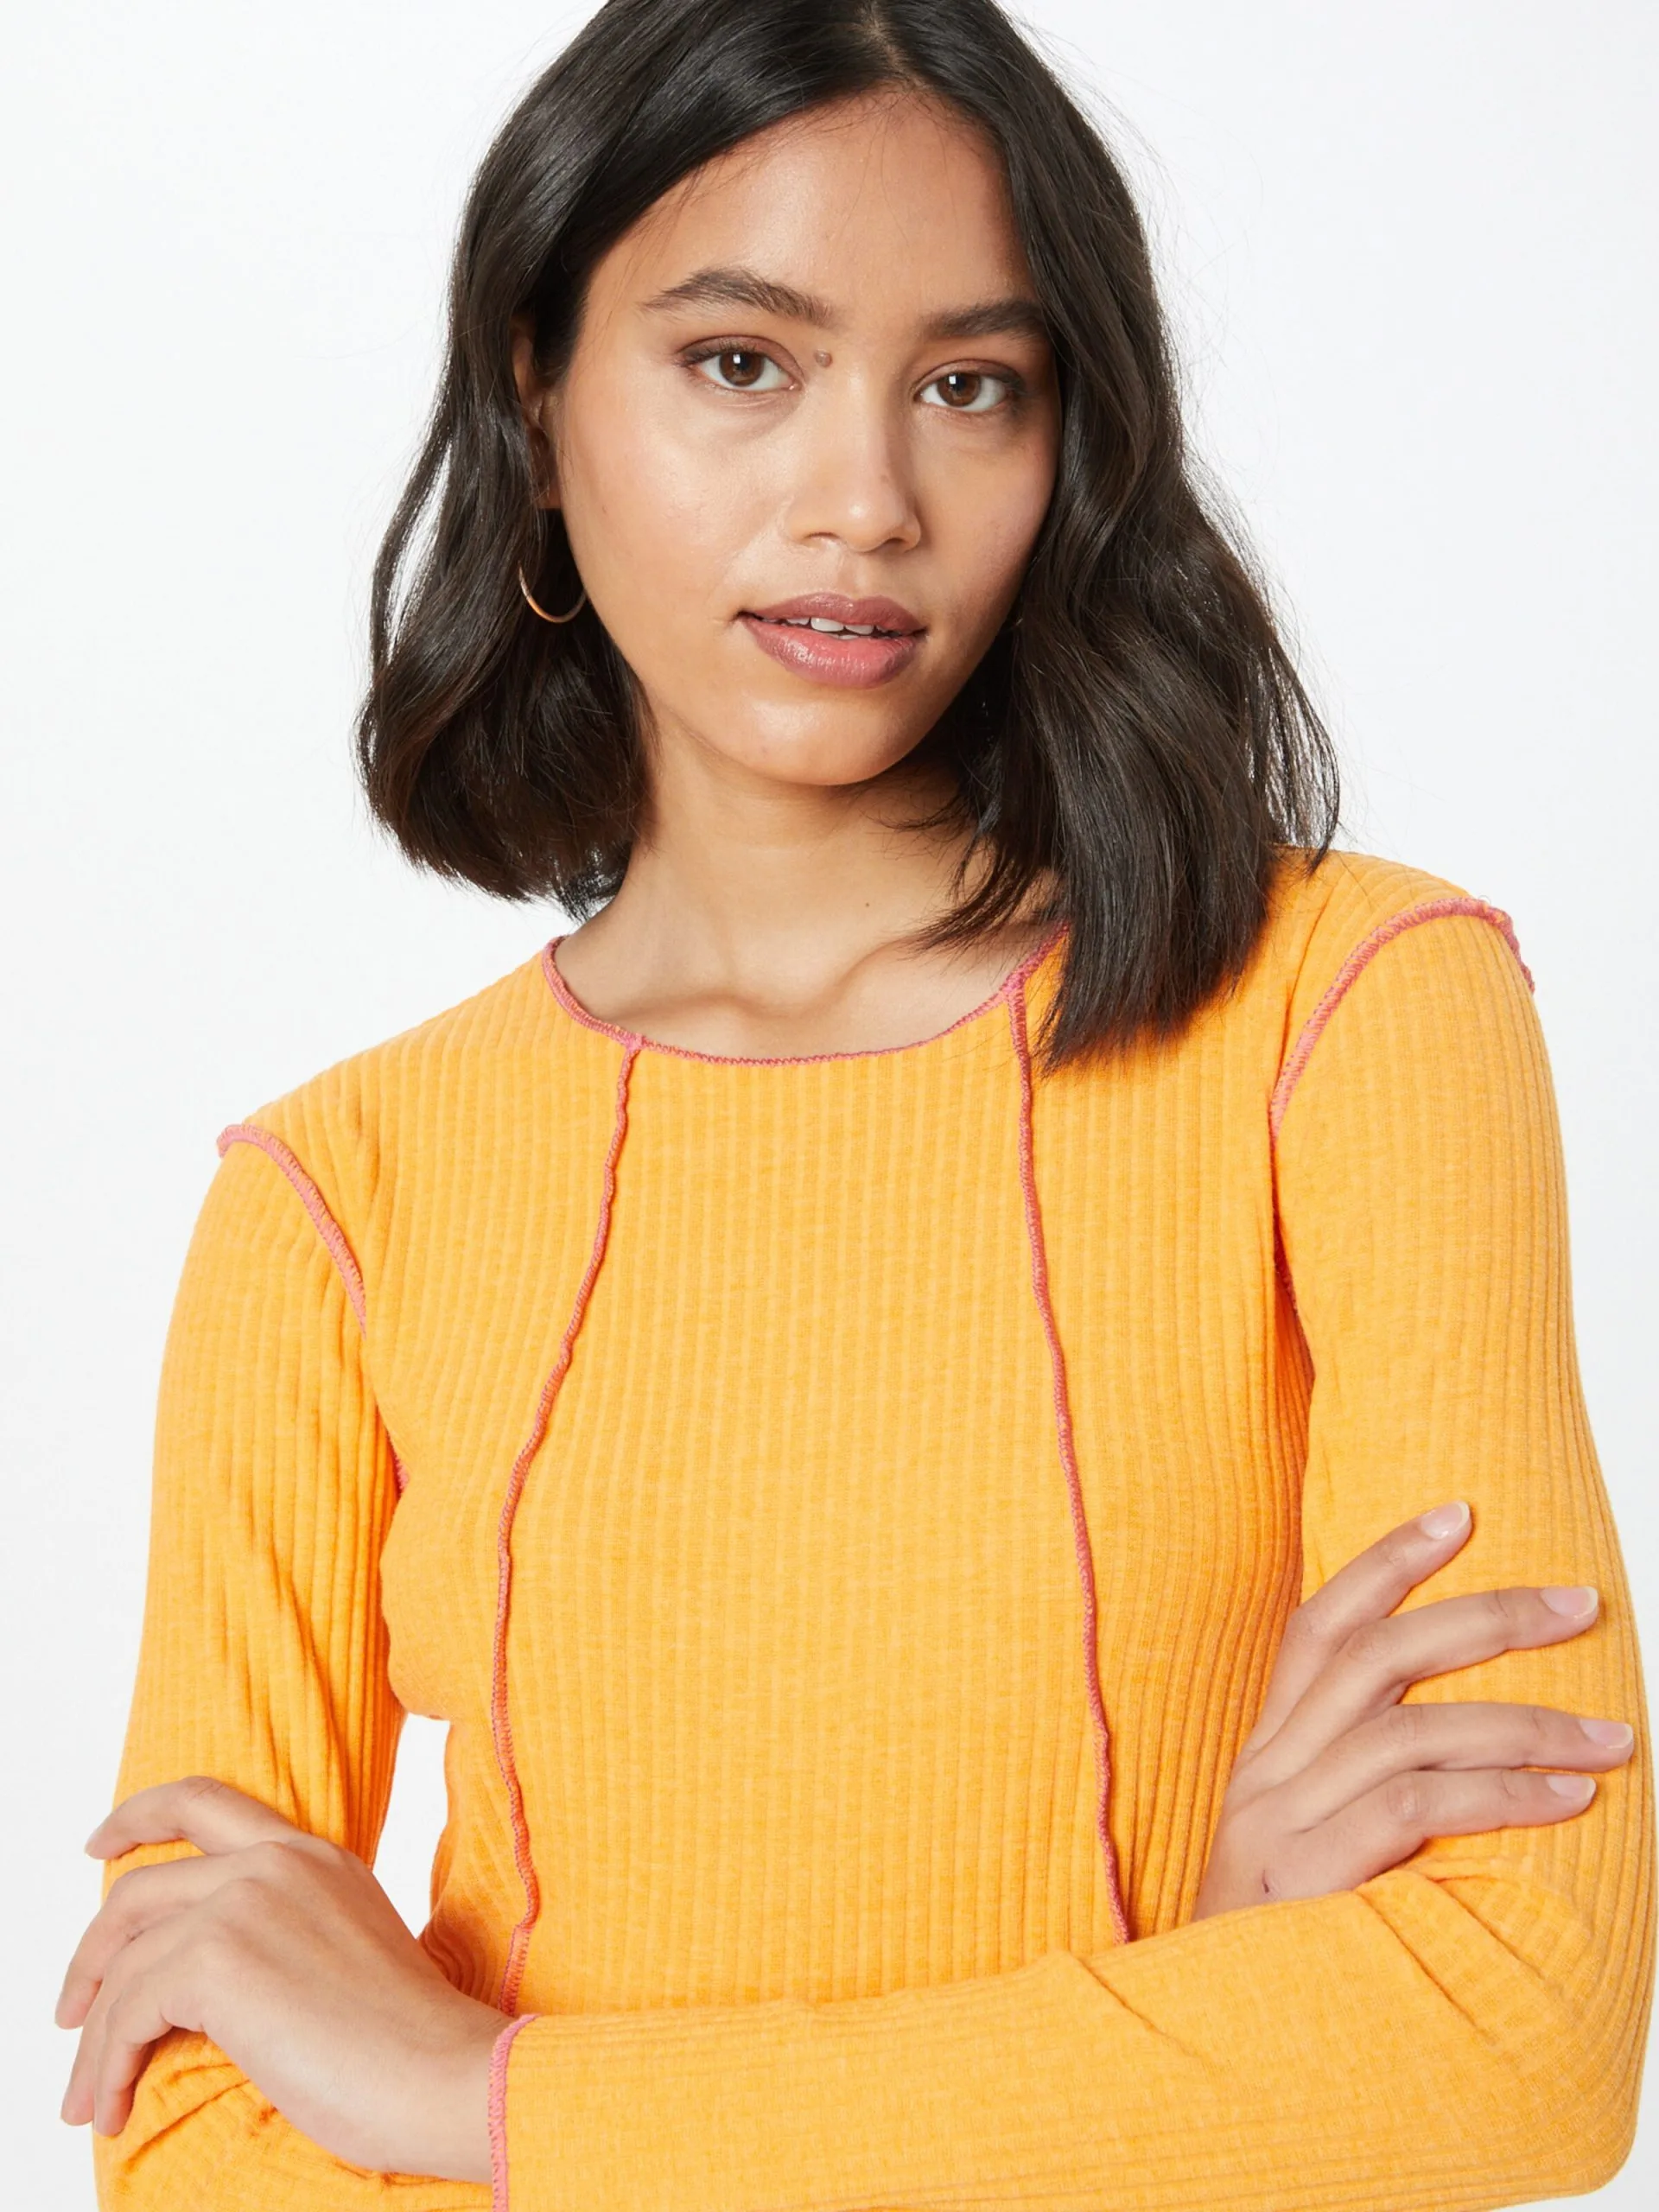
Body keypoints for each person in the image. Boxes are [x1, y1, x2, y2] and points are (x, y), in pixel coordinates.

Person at [56, 1, 1652, 2205]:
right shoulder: (341, 1202)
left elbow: (1515, 2036)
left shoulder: (1351, 1011)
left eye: (971, 385)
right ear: (536, 397)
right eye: (741, 362)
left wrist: (476, 2097)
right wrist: (1201, 2015)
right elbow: (194, 2138)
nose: (865, 501)